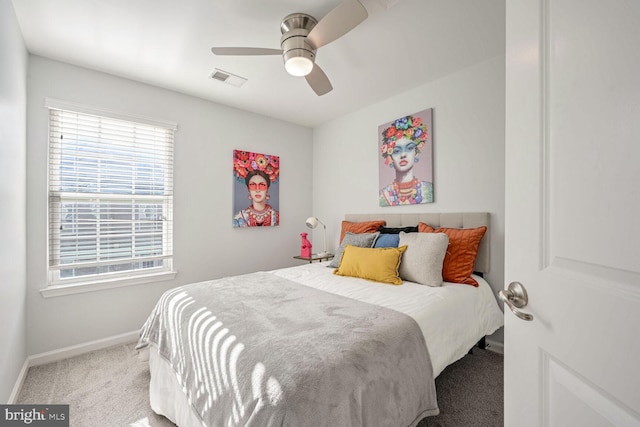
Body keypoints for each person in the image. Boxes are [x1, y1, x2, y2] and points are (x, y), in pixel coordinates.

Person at [379, 114, 433, 206]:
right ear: (390, 156)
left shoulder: (429, 189)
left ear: (415, 152)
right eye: (396, 151)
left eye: (409, 148)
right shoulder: (382, 196)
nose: (403, 155)